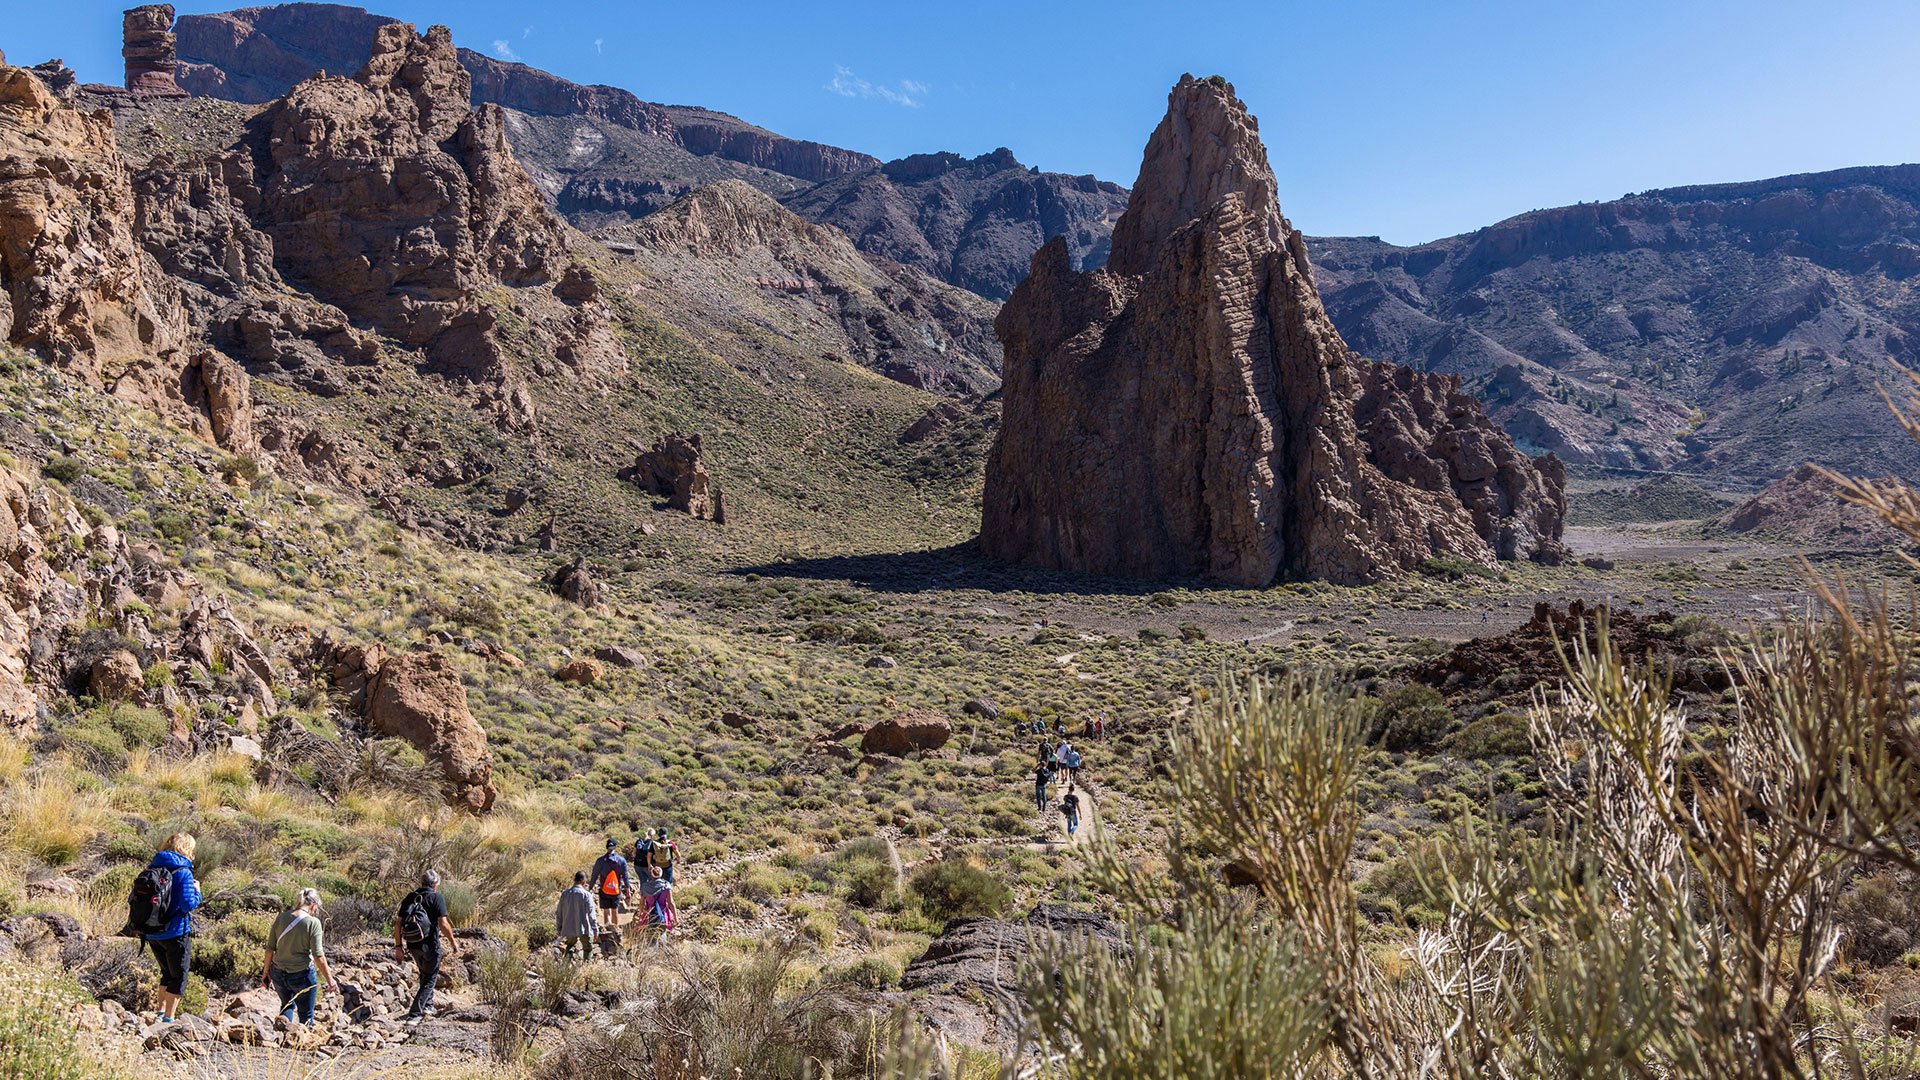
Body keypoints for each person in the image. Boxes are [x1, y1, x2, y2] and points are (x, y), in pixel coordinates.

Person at [140, 832, 202, 1023]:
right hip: (175, 932)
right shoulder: (183, 871)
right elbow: (187, 904)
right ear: (187, 848)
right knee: (179, 975)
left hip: (151, 932)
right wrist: (198, 893)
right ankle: (169, 1019)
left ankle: (159, 1012)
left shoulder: (151, 867)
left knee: (166, 973)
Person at [392, 870, 459, 1023]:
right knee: (430, 978)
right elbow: (443, 924)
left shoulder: (410, 897)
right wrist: (453, 942)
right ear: (435, 884)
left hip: (412, 944)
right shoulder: (437, 897)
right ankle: (415, 1014)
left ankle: (428, 1005)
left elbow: (398, 924)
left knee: (424, 973)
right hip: (430, 944)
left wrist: (398, 946)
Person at [262, 888, 333, 1026]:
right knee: (306, 1014)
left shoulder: (281, 917)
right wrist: (330, 980)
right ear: (313, 905)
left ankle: (283, 1038)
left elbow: (269, 949)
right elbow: (318, 956)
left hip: (277, 973)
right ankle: (302, 1043)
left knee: (286, 1005)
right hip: (302, 974)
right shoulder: (313, 923)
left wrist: (266, 973)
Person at [554, 871, 599, 961]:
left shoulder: (565, 894)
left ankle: (566, 967)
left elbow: (559, 912)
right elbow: (591, 914)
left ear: (575, 880)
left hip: (569, 927)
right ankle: (586, 967)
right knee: (588, 948)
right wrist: (595, 929)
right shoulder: (587, 895)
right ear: (583, 882)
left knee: (570, 946)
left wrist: (559, 927)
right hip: (584, 928)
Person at [589, 838, 633, 928]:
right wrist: (628, 891)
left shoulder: (600, 861)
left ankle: (607, 932)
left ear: (606, 847)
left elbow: (594, 875)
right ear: (615, 847)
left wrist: (590, 887)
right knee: (614, 910)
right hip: (616, 890)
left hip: (604, 889)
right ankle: (615, 931)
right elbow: (625, 877)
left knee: (606, 911)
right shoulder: (621, 861)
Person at [635, 865, 675, 931]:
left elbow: (641, 903)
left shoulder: (645, 887)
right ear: (661, 875)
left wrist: (640, 916)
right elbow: (671, 902)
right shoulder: (666, 886)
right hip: (663, 913)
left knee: (645, 931)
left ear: (651, 875)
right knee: (663, 930)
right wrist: (675, 917)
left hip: (649, 913)